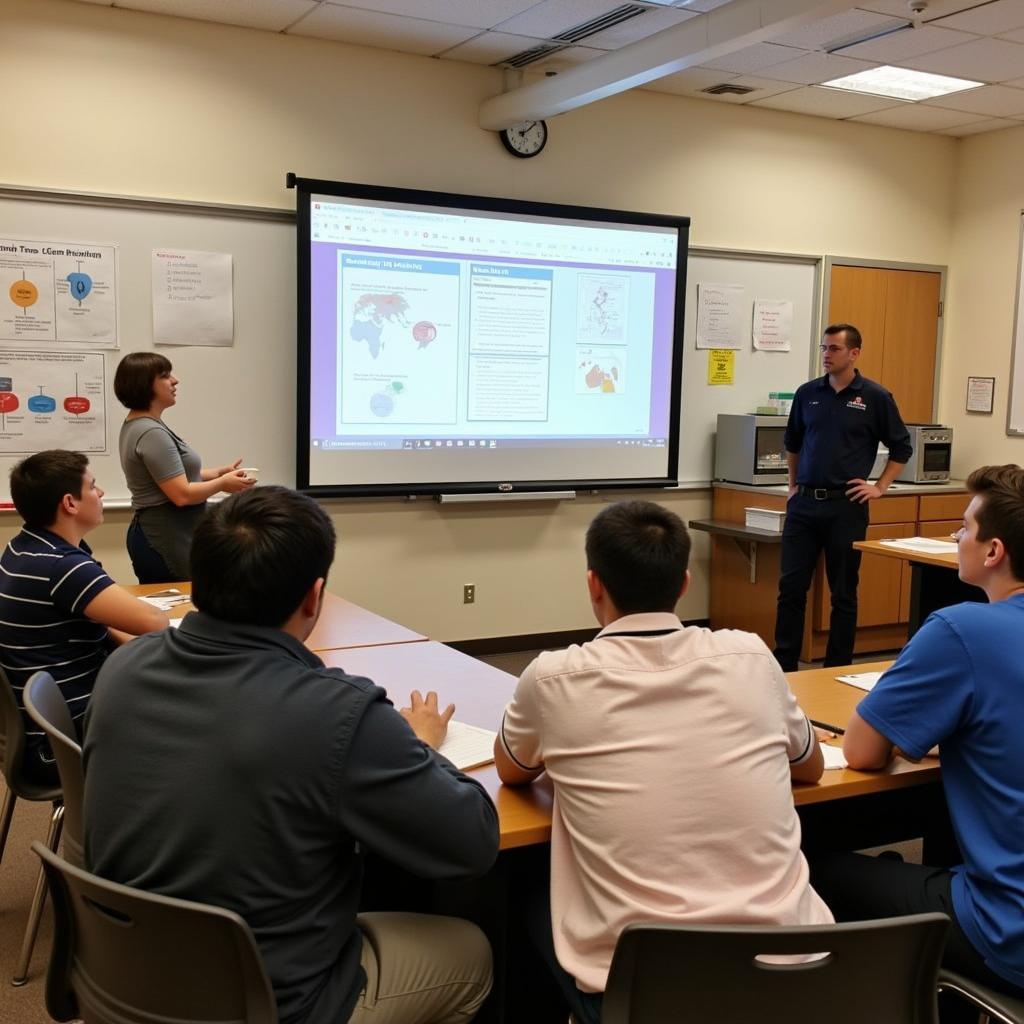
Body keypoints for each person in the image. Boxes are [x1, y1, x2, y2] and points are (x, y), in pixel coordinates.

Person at [83, 485, 499, 1024]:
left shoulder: (122, 668)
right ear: (314, 596)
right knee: (471, 951)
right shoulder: (338, 713)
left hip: (123, 976)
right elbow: (472, 842)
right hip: (271, 1002)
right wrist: (420, 744)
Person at [494, 499, 831, 1024]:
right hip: (791, 981)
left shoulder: (552, 677)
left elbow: (512, 769)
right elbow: (809, 767)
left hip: (643, 994)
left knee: (518, 889)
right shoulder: (751, 656)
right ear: (684, 585)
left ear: (593, 585)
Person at [812, 464, 1024, 1009]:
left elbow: (861, 752)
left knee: (812, 865)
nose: (956, 536)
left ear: (994, 550)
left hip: (1008, 932)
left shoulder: (962, 630)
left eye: (965, 526)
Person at [0, 450, 168, 786]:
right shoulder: (62, 567)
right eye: (93, 486)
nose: (102, 493)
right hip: (61, 743)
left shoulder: (21, 548)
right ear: (69, 503)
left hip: (37, 728)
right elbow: (157, 623)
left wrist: (126, 642)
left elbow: (102, 623)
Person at [773, 323, 912, 671]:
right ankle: (785, 665)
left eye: (834, 349)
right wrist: (792, 486)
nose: (826, 355)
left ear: (854, 353)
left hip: (846, 506)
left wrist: (878, 487)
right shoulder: (808, 393)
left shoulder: (876, 397)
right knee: (791, 589)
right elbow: (792, 443)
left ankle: (838, 667)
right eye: (824, 348)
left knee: (844, 593)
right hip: (804, 504)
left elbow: (901, 447)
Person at [114, 351, 254, 583]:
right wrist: (222, 484)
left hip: (168, 530)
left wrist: (218, 473)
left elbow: (171, 476)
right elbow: (181, 494)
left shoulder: (141, 424)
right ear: (145, 384)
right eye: (166, 375)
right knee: (176, 609)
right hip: (165, 534)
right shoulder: (150, 432)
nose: (175, 380)